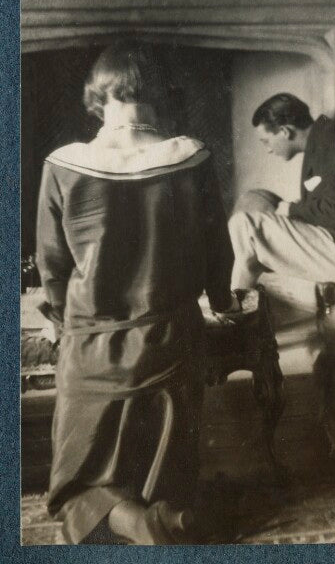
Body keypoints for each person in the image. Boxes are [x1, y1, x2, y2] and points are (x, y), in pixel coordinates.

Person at [36, 41, 238, 545]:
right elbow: (218, 250)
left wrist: (63, 322)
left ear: (97, 97)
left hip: (93, 350)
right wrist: (221, 302)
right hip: (172, 345)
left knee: (71, 492)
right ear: (160, 95)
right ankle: (162, 511)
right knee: (166, 475)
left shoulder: (63, 165)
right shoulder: (192, 157)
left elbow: (53, 267)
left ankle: (132, 519)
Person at [228, 93, 335, 292]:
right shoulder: (322, 139)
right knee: (253, 206)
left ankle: (235, 301)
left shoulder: (333, 139)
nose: (268, 149)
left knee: (244, 224)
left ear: (285, 131)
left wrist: (292, 210)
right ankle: (238, 297)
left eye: (266, 141)